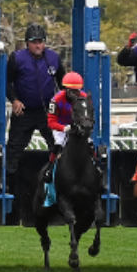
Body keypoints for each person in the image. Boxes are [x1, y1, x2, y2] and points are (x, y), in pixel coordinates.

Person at [5, 24, 66, 209]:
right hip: (23, 111)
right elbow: (6, 82)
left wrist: (60, 106)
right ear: (27, 44)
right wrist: (14, 100)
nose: (38, 45)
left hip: (47, 111)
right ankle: (9, 190)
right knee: (14, 149)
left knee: (58, 146)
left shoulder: (54, 58)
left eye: (40, 42)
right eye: (34, 42)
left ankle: (58, 188)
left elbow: (63, 83)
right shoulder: (17, 58)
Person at [42, 71, 89, 206]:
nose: (76, 94)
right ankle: (50, 169)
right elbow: (50, 122)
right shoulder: (56, 100)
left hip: (78, 127)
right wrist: (64, 128)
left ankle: (97, 168)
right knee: (58, 144)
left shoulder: (84, 97)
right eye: (72, 91)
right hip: (61, 127)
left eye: (77, 91)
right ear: (66, 89)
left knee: (90, 144)